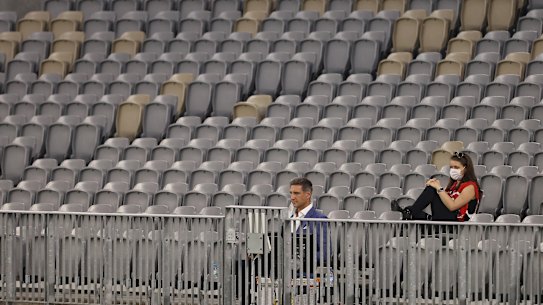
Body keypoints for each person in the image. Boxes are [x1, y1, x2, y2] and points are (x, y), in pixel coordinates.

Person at [401, 152, 482, 221]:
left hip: (457, 222)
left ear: (466, 168)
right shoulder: (453, 185)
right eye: (451, 167)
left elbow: (452, 206)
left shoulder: (470, 187)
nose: (453, 170)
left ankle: (409, 212)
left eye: (456, 167)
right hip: (445, 218)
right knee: (415, 209)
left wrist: (438, 188)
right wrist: (436, 186)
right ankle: (410, 212)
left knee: (432, 190)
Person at [288, 177, 328, 264]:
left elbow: (325, 253)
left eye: (296, 193)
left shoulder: (319, 219)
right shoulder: (288, 218)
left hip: (305, 273)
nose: (292, 197)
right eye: (291, 193)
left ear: (308, 195)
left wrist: (301, 260)